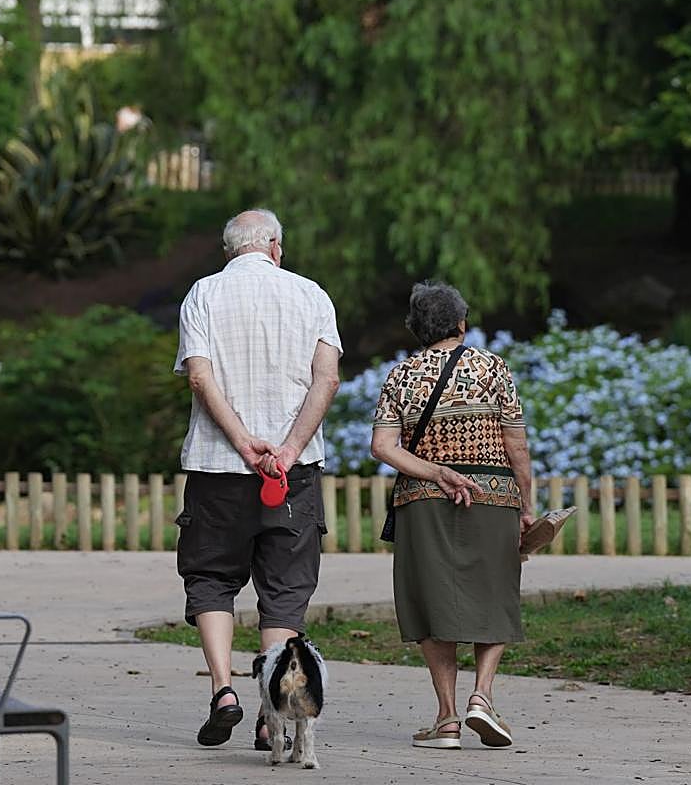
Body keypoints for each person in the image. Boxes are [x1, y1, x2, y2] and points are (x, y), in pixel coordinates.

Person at [173, 209, 342, 751]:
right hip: (292, 474)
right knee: (285, 590)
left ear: (230, 252)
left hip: (218, 468)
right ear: (275, 247)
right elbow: (328, 377)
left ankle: (224, 690)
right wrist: (288, 448)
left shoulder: (202, 293)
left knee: (211, 578)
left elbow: (199, 376)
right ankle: (274, 711)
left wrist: (244, 443)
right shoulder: (313, 295)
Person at [370, 281, 535, 750]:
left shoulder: (401, 375)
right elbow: (516, 444)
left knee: (431, 601)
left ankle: (446, 718)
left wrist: (435, 471)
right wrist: (525, 505)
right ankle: (481, 697)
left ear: (418, 328)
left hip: (422, 502)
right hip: (492, 494)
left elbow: (383, 447)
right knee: (496, 593)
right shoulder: (493, 368)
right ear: (462, 323)